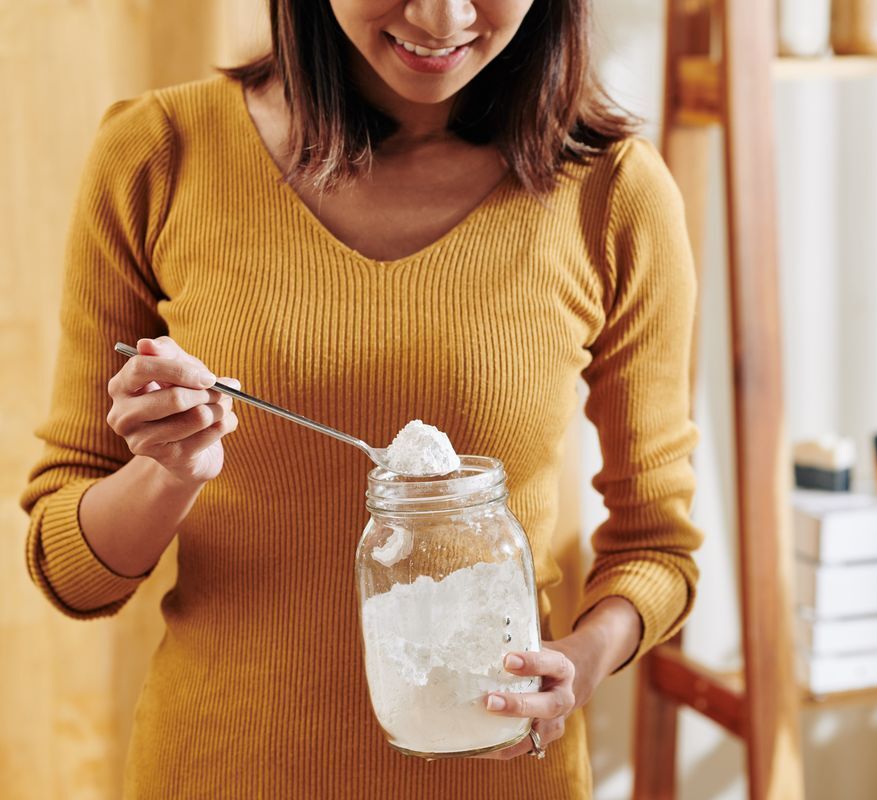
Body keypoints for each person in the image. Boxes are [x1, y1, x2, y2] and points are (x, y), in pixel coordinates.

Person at [21, 0, 702, 797]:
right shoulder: (158, 154)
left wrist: (578, 667)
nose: (441, 16)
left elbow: (657, 547)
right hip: (221, 770)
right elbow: (72, 576)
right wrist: (167, 472)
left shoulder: (615, 191)